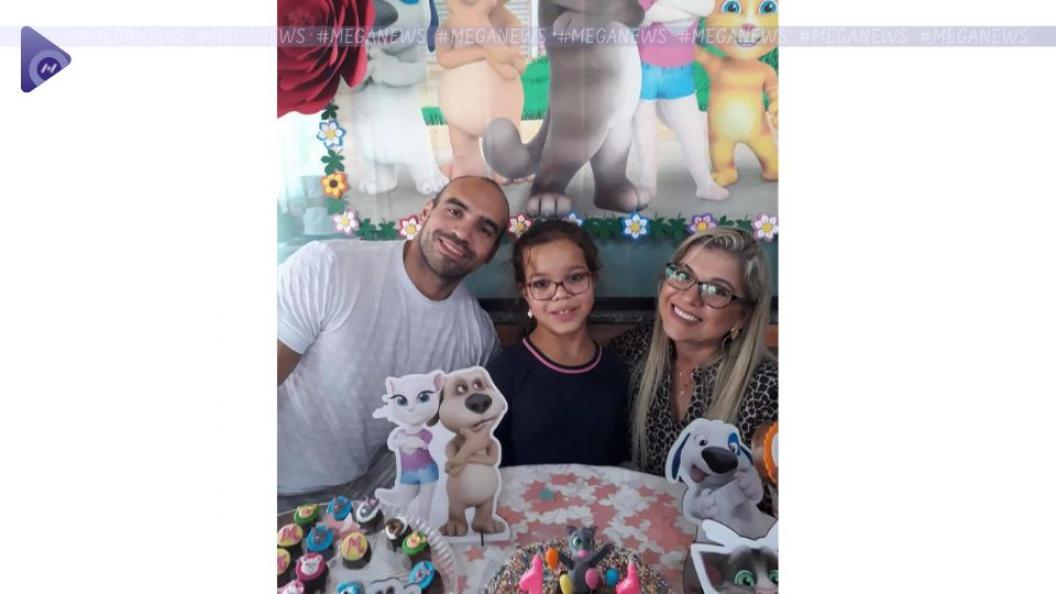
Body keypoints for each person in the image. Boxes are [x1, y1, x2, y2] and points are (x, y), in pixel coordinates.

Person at [277, 175, 510, 511]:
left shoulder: (477, 336)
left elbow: (458, 436)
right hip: (282, 487)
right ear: (426, 211)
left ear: (490, 253)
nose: (462, 233)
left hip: (376, 491)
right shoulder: (329, 267)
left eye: (484, 229)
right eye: (455, 211)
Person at [610, 227, 777, 477]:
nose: (689, 297)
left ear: (743, 315)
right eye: (683, 275)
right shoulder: (634, 349)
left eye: (716, 290)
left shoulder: (769, 392)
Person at [489, 220, 630, 467]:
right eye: (541, 284)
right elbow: (490, 467)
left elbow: (619, 461)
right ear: (525, 292)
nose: (561, 294)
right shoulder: (503, 374)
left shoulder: (615, 372)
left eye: (575, 278)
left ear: (593, 279)